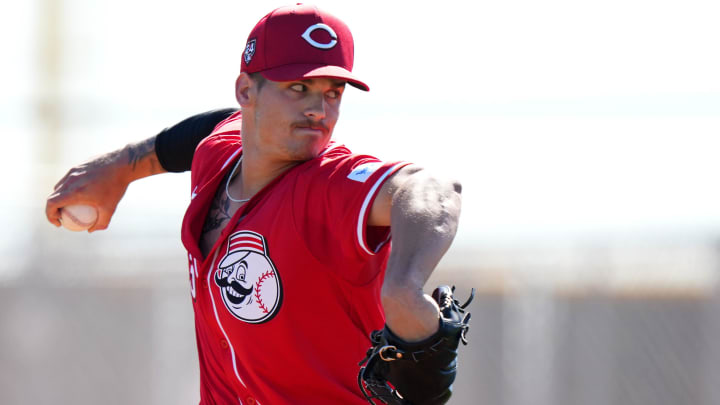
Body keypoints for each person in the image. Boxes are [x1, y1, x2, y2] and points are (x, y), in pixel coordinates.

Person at [47, 5, 463, 404]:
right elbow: (205, 131)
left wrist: (403, 289)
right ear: (246, 91)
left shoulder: (328, 188)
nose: (318, 110)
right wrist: (121, 167)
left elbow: (431, 187)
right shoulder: (222, 152)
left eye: (332, 93)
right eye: (298, 88)